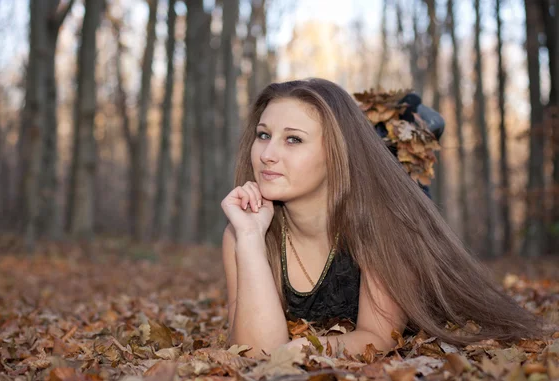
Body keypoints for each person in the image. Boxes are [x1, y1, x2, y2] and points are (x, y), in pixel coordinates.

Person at [220, 78, 541, 358]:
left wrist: (309, 348)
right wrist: (249, 238)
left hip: (385, 213)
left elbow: (378, 338)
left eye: (293, 139)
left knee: (405, 190)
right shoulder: (241, 233)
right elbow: (255, 353)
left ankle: (403, 133)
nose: (266, 155)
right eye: (263, 135)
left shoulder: (384, 226)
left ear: (336, 153)